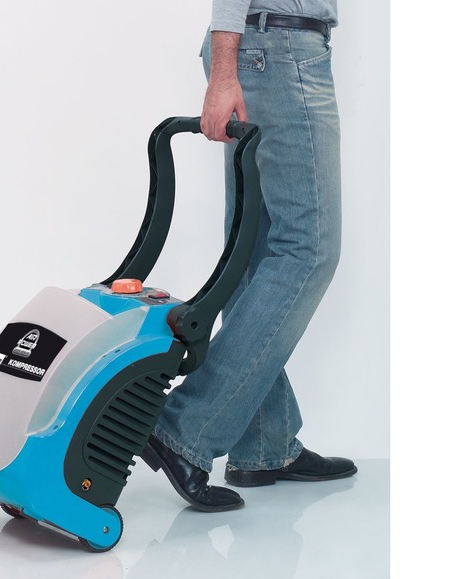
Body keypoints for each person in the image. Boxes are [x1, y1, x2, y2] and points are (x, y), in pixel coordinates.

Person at [139, 0, 357, 511]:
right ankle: (185, 427)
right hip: (280, 51)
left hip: (266, 50)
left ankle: (264, 445)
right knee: (308, 248)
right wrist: (223, 72)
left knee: (256, 253)